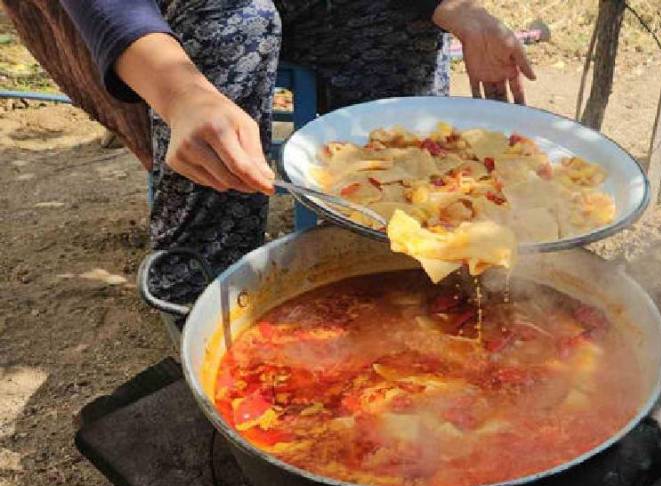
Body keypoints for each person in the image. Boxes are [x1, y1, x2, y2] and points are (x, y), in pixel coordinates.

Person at [60, 0, 536, 305]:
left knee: (402, 63)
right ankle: (202, 294)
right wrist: (181, 94)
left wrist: (457, 10)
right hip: (192, 21)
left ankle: (397, 277)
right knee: (237, 21)